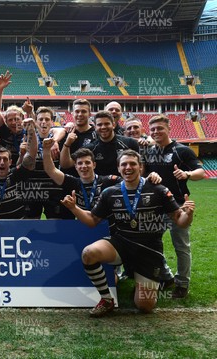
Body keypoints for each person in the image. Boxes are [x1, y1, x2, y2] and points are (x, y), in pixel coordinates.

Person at [60, 150, 195, 317]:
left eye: (132, 164)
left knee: (144, 306)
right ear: (118, 168)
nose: (128, 167)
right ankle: (106, 299)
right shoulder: (110, 193)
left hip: (149, 250)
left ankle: (144, 282)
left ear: (140, 167)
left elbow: (179, 220)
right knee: (89, 253)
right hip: (121, 243)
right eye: (124, 164)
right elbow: (92, 220)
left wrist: (188, 215)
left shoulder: (158, 189)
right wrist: (74, 208)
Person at [143, 114, 205, 298]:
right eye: (152, 129)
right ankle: (166, 276)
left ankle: (182, 284)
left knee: (181, 246)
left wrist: (187, 174)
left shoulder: (181, 150)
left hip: (177, 205)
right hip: (155, 207)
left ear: (169, 129)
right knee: (151, 245)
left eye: (160, 128)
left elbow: (200, 172)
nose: (156, 132)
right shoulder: (148, 151)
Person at [61, 110, 139, 176]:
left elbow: (139, 167)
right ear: (95, 127)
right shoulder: (89, 148)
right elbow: (66, 164)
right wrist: (67, 144)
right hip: (98, 191)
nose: (103, 127)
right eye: (99, 124)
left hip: (122, 190)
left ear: (113, 125)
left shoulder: (130, 143)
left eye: (106, 124)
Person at [24, 106, 66, 219]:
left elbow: (62, 129)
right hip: (33, 189)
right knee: (31, 223)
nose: (43, 122)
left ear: (52, 122)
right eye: (40, 119)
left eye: (47, 119)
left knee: (55, 224)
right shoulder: (28, 138)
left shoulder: (58, 138)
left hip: (54, 189)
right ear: (36, 122)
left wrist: (55, 141)